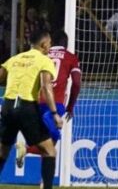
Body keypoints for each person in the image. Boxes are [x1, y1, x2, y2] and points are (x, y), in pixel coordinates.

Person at [0, 29, 69, 189]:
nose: (50, 46)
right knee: (49, 150)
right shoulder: (44, 60)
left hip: (8, 106)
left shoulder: (15, 59)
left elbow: (1, 76)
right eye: (50, 43)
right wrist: (54, 114)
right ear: (44, 45)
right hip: (26, 107)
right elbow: (46, 87)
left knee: (3, 151)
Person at [15, 29, 81, 167]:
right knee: (52, 142)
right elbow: (76, 83)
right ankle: (42, 177)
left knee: (47, 143)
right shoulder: (71, 57)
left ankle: (29, 155)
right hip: (55, 104)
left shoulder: (42, 55)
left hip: (36, 102)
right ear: (66, 44)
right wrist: (71, 106)